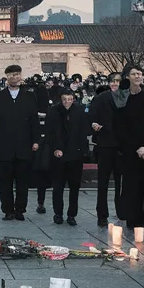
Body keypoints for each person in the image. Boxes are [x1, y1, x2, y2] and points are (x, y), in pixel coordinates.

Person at [0, 64, 39, 220]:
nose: (15, 77)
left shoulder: (29, 96)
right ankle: (8, 210)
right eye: (12, 75)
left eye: (17, 74)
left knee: (23, 181)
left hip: (24, 144)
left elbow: (34, 121)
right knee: (5, 181)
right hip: (4, 145)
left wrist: (36, 140)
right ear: (6, 77)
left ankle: (20, 209)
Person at [113, 65, 144, 234]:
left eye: (140, 73)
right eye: (134, 74)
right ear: (127, 77)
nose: (138, 76)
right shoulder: (121, 98)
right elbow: (120, 126)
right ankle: (133, 218)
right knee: (132, 185)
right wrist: (133, 147)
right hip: (130, 149)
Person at [46, 88, 88, 225]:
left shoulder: (79, 110)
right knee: (58, 187)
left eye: (70, 99)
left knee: (74, 187)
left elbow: (83, 131)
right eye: (64, 99)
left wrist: (83, 150)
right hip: (58, 153)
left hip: (75, 153)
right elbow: (50, 132)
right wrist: (55, 149)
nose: (67, 102)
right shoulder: (54, 111)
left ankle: (72, 214)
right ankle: (58, 213)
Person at [89, 73, 123, 227]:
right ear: (109, 83)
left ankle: (121, 211)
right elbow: (92, 117)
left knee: (121, 183)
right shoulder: (101, 98)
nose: (116, 84)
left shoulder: (128, 98)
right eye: (113, 81)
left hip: (123, 145)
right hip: (105, 145)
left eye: (119, 81)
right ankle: (102, 214)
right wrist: (94, 125)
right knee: (103, 181)